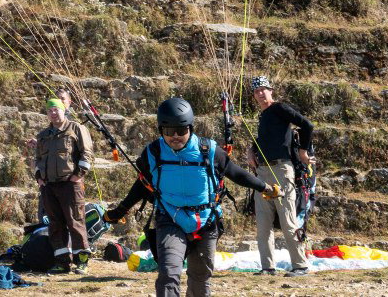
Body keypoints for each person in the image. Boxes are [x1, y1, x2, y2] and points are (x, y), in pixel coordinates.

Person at [103, 97, 279, 297]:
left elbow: (235, 173)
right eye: (169, 131)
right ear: (161, 130)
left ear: (190, 128)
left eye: (182, 130)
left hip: (206, 221)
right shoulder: (153, 152)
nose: (176, 136)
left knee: (200, 277)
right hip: (170, 219)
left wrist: (264, 187)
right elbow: (141, 187)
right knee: (169, 273)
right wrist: (119, 211)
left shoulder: (209, 150)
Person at [247, 75, 314, 276]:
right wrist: (251, 150)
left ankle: (300, 265)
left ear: (271, 90)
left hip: (281, 170)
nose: (260, 94)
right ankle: (268, 267)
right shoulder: (263, 116)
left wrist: (303, 152)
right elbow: (264, 139)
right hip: (262, 171)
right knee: (263, 222)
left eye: (263, 90)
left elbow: (307, 125)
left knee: (287, 220)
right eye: (256, 91)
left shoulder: (280, 109)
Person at [33, 97, 93, 273]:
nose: (53, 113)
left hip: (70, 184)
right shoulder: (43, 135)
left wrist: (78, 175)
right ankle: (62, 261)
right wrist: (39, 178)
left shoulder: (76, 128)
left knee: (75, 221)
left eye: (56, 109)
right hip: (49, 186)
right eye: (50, 110)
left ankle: (81, 261)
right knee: (55, 224)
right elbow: (38, 159)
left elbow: (87, 154)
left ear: (63, 110)